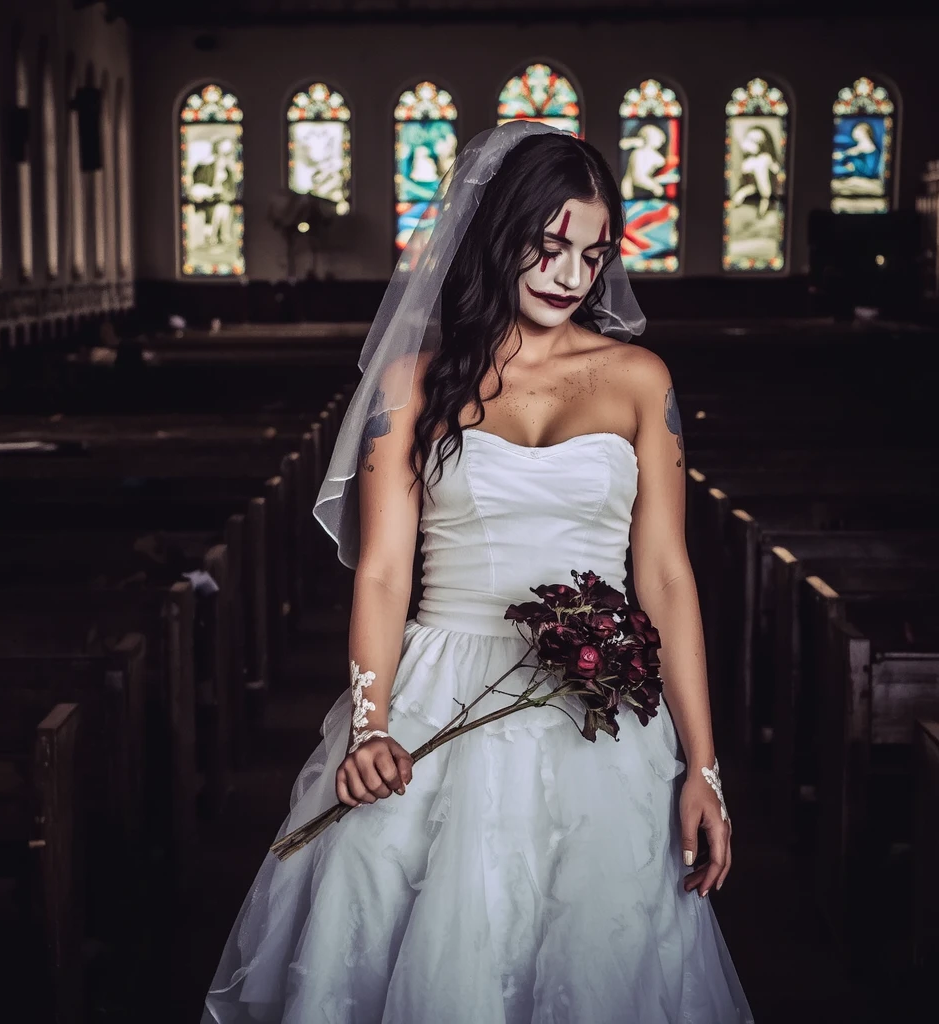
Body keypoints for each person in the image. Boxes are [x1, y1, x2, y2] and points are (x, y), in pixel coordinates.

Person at [201, 121, 755, 1024]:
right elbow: (382, 572)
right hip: (439, 689)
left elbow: (665, 577)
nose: (571, 274)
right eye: (549, 246)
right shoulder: (410, 384)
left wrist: (705, 768)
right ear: (500, 236)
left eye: (593, 252)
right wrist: (368, 727)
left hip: (597, 710)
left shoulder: (641, 379)